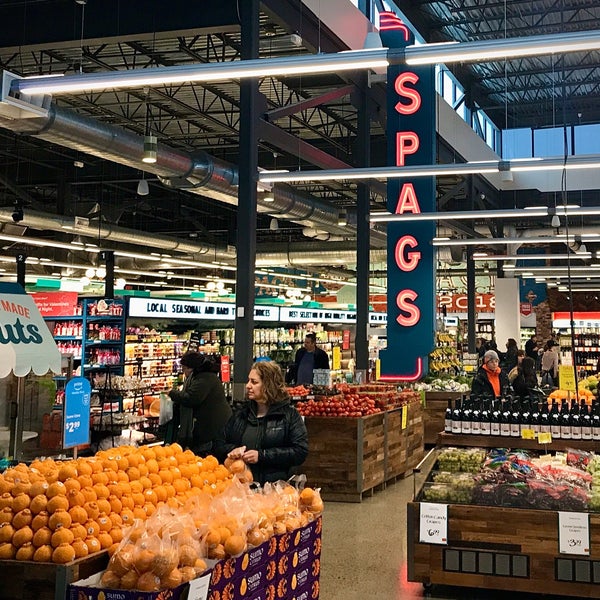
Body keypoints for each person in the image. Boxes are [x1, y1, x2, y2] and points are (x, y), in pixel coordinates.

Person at [215, 361, 308, 485]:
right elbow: (218, 444)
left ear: (268, 385)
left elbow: (300, 452)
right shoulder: (241, 414)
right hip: (241, 490)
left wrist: (262, 455)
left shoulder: (289, 415)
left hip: (275, 490)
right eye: (249, 381)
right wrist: (233, 450)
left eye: (254, 382)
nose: (248, 386)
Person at [168, 352, 232, 455]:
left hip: (212, 427)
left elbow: (191, 399)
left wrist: (171, 393)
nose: (184, 372)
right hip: (210, 425)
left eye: (184, 368)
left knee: (205, 456)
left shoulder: (204, 378)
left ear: (191, 368)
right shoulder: (203, 376)